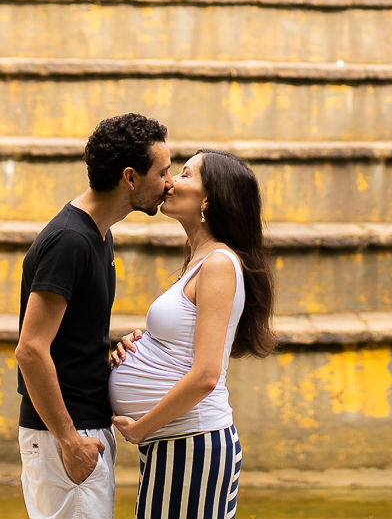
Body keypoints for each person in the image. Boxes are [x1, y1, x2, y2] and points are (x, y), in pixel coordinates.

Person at [15, 113, 174, 519]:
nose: (169, 183)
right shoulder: (70, 241)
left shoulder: (97, 235)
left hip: (83, 427)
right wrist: (69, 440)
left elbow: (69, 334)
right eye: (163, 172)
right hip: (67, 432)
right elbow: (31, 350)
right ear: (130, 178)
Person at [109, 149, 277, 519]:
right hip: (176, 443)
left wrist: (140, 429)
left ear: (209, 199)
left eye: (185, 175)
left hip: (191, 443)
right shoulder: (201, 259)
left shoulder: (218, 264)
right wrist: (142, 346)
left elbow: (205, 375)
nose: (170, 182)